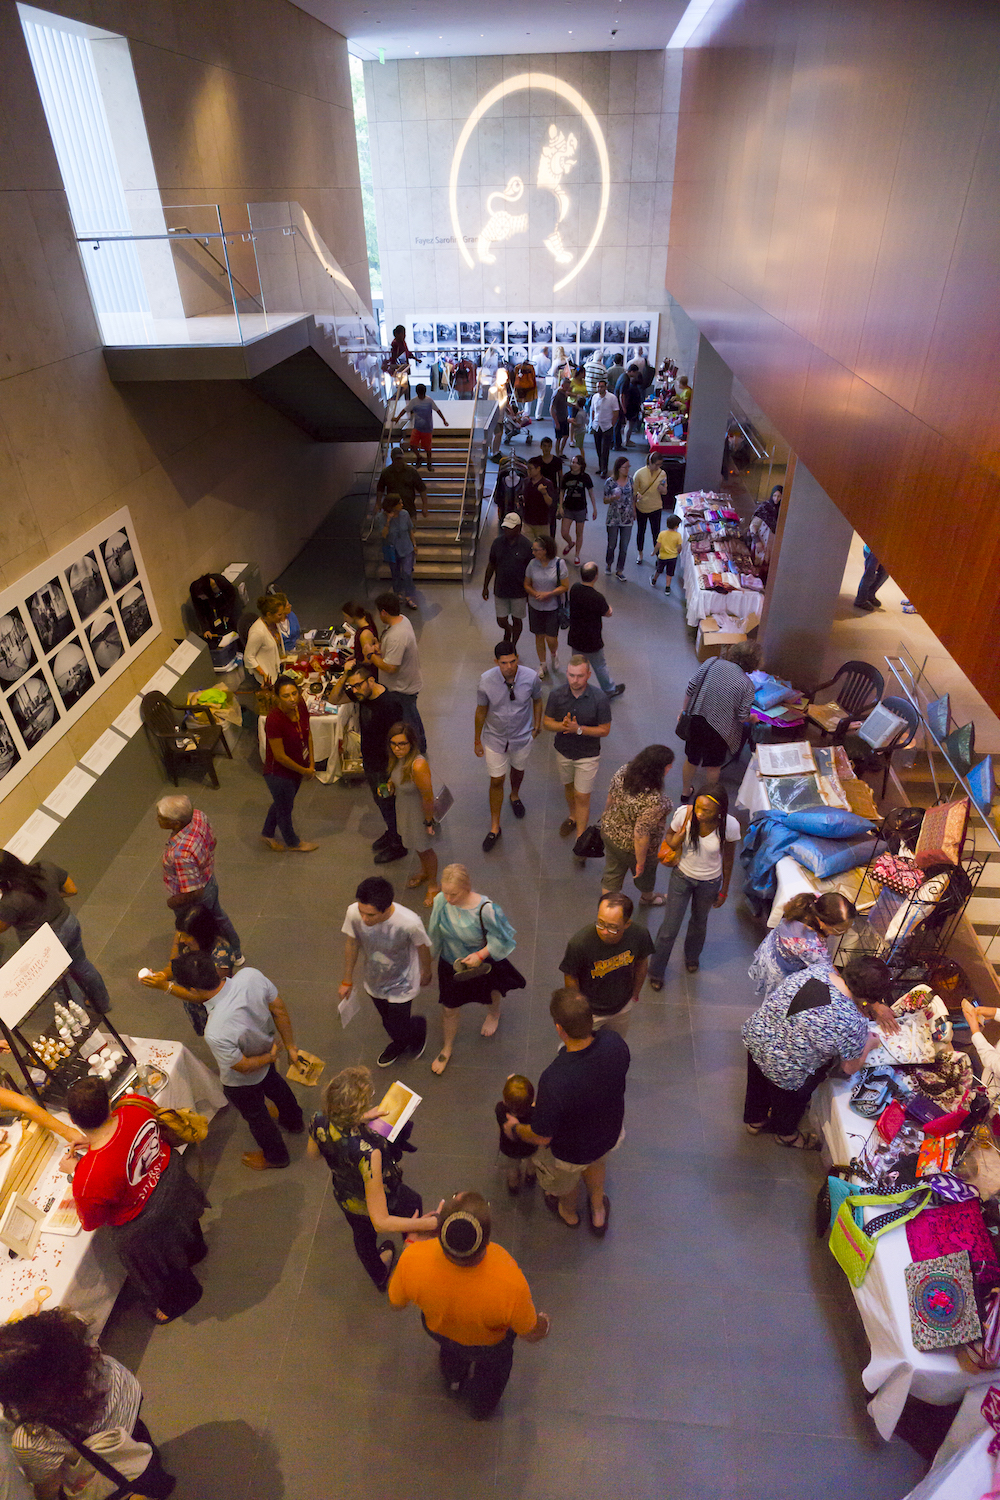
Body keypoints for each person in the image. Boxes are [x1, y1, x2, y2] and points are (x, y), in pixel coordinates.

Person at [388, 1190, 550, 1418]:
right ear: (486, 1236)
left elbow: (396, 1303)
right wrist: (545, 1324)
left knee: (451, 1353)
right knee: (493, 1374)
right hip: (490, 1346)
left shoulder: (412, 1257)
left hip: (441, 1331)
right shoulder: (509, 1280)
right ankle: (481, 1409)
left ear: (439, 1228)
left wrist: (410, 1247)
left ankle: (454, 1379)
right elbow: (531, 1333)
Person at [63, 1077, 207, 1323]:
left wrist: (75, 1169)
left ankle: (182, 1297)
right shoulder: (135, 1105)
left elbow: (92, 1221)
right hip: (172, 1178)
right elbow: (127, 1138)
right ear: (109, 1105)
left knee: (133, 1244)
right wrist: (96, 1140)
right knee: (182, 1220)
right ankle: (196, 1250)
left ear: (74, 1122)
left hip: (145, 1222)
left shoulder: (88, 1176)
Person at [0, 1310, 175, 1500]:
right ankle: (154, 1471)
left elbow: (48, 1488)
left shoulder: (31, 1438)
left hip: (105, 1452)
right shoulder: (71, 1330)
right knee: (140, 1445)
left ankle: (148, 1479)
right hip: (128, 1399)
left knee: (128, 1468)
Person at [505, 988, 628, 1232]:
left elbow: (543, 1135)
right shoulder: (615, 1044)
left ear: (560, 1029)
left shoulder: (555, 1078)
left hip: (572, 1151)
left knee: (568, 1183)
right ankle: (598, 1210)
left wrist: (516, 1129)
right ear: (591, 1019)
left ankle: (569, 1213)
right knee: (597, 1165)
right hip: (608, 1134)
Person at [308, 1066, 439, 1290]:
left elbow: (313, 1155)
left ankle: (379, 1275)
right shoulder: (369, 1153)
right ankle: (414, 1258)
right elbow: (381, 1220)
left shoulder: (319, 1119)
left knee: (363, 1237)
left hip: (346, 1196)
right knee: (412, 1203)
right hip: (380, 1196)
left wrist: (357, 1120)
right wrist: (430, 1222)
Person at [171, 951, 304, 1170]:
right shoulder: (250, 976)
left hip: (244, 1081)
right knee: (277, 1086)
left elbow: (241, 1066)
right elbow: (278, 1009)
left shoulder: (215, 1030)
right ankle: (293, 1121)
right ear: (214, 968)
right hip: (266, 1048)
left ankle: (276, 1156)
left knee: (257, 1117)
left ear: (193, 990)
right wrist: (289, 1047)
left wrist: (268, 1058)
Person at [742, 956, 893, 1148]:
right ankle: (786, 1135)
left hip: (758, 1037)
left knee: (758, 1080)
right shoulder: (854, 1022)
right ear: (869, 999)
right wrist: (869, 1043)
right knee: (789, 1102)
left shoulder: (818, 970)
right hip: (787, 1069)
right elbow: (849, 1068)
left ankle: (755, 1121)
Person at [427, 863, 525, 1073]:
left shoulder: (486, 909)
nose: (449, 899)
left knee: (490, 991)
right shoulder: (441, 901)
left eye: (454, 894)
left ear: (467, 888)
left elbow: (502, 937)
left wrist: (480, 955)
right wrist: (427, 962)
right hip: (451, 963)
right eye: (445, 893)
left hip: (481, 964)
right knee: (449, 1007)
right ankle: (447, 1047)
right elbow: (434, 933)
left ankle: (494, 1014)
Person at [648, 786, 741, 985]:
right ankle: (656, 971)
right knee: (670, 928)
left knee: (699, 922)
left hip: (710, 882)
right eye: (698, 807)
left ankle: (692, 956)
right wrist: (679, 838)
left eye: (706, 810)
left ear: (719, 811)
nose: (699, 813)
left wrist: (724, 891)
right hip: (682, 876)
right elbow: (670, 840)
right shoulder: (685, 814)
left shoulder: (730, 825)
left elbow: (729, 859)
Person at [0, 852, 111, 1013]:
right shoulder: (45, 867)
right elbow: (72, 889)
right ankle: (103, 1005)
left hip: (44, 943)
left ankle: (83, 1020)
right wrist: (49, 896)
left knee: (63, 983)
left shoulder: (9, 901)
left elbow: (2, 927)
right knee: (82, 965)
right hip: (68, 923)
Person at [340, 876, 431, 1067]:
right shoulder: (353, 912)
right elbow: (352, 942)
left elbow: (422, 946)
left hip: (403, 982)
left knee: (397, 1024)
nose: (364, 919)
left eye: (371, 915)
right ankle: (403, 1035)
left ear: (387, 908)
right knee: (387, 1020)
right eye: (361, 912)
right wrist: (347, 979)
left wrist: (427, 971)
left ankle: (411, 1032)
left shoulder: (409, 923)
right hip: (374, 978)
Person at [474, 640, 543, 852]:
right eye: (504, 663)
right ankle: (495, 826)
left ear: (517, 658)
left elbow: (538, 700)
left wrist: (537, 724)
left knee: (518, 770)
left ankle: (514, 795)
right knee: (496, 779)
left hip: (522, 736)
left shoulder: (531, 677)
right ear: (496, 662)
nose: (509, 667)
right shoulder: (486, 681)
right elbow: (481, 711)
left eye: (513, 661)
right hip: (495, 738)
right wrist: (477, 739)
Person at [157, 795, 242, 961]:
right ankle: (236, 952)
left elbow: (194, 891)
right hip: (209, 878)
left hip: (195, 896)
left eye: (161, 817)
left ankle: (211, 956)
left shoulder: (181, 853)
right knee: (218, 917)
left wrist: (173, 902)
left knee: (200, 927)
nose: (157, 819)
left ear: (176, 823)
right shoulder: (197, 816)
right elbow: (213, 841)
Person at [559, 894, 653, 1039]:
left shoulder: (639, 934)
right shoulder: (580, 943)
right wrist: (579, 1009)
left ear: (627, 924)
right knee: (583, 1045)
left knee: (615, 1044)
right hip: (591, 1011)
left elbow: (641, 962)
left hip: (622, 1006)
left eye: (613, 927)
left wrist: (635, 993)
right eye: (600, 923)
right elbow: (570, 976)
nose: (604, 931)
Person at [338, 665, 406, 863]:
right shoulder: (362, 695)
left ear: (371, 681)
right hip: (371, 762)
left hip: (384, 767)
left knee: (387, 803)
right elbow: (334, 699)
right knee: (380, 801)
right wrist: (345, 677)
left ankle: (397, 843)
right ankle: (391, 832)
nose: (355, 691)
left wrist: (392, 772)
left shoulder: (389, 704)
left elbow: (398, 740)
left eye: (357, 685)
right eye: (352, 687)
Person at [140, 900, 236, 1036]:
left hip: (218, 1006)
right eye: (181, 934)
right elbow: (174, 965)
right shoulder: (182, 936)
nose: (182, 940)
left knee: (224, 1037)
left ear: (202, 933)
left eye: (187, 936)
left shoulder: (221, 954)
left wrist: (166, 987)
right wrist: (163, 975)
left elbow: (207, 995)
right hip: (193, 1003)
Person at [678, 641, 760, 798]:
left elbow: (691, 687)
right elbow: (742, 717)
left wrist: (684, 711)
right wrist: (753, 718)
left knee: (691, 759)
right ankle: (706, 797)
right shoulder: (747, 685)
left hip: (697, 719)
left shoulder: (711, 662)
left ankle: (685, 792)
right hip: (720, 731)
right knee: (713, 767)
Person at [542, 657, 611, 843]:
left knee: (581, 795)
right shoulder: (556, 695)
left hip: (588, 754)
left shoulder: (600, 698)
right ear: (567, 673)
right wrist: (561, 726)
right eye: (571, 675)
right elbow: (547, 722)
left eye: (580, 676)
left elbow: (605, 729)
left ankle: (580, 838)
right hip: (563, 751)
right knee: (569, 786)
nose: (575, 680)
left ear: (588, 675)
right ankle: (573, 816)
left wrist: (578, 729)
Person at [599, 744, 674, 900]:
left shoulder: (624, 771)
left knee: (612, 874)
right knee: (645, 876)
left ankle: (607, 908)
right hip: (634, 848)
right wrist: (640, 863)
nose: (671, 768)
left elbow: (610, 799)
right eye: (669, 766)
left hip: (611, 833)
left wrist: (605, 819)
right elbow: (641, 834)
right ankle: (648, 897)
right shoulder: (654, 800)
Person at [748, 892, 856, 998]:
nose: (845, 932)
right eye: (840, 930)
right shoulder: (807, 945)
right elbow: (828, 972)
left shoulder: (816, 904)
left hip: (776, 947)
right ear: (822, 922)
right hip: (781, 966)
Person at [260, 674, 318, 854]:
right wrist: (305, 771)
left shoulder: (300, 705)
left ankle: (267, 834)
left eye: (294, 693)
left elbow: (307, 734)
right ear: (277, 697)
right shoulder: (274, 720)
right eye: (286, 696)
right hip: (279, 773)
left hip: (297, 768)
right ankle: (293, 842)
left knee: (281, 802)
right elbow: (280, 757)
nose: (292, 699)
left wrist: (311, 764)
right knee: (285, 808)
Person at [366, 592, 425, 748]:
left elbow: (391, 667)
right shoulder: (402, 620)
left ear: (384, 612)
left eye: (379, 612)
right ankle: (420, 743)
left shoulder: (397, 635)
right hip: (407, 682)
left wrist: (371, 655)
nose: (379, 616)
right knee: (412, 714)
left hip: (402, 687)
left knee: (408, 721)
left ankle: (414, 748)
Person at [566, 561, 624, 699]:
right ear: (596, 577)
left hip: (575, 636)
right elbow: (607, 612)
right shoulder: (597, 597)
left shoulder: (574, 589)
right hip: (592, 639)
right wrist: (610, 607)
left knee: (577, 665)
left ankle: (575, 688)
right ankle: (609, 690)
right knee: (599, 665)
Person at [482, 513, 533, 646]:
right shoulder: (497, 543)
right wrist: (485, 586)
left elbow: (531, 570)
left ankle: (513, 645)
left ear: (518, 528)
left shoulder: (527, 546)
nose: (507, 530)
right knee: (501, 620)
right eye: (505, 527)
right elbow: (491, 564)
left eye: (510, 528)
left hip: (519, 591)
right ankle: (508, 630)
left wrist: (530, 591)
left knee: (517, 619)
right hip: (501, 589)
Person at [524, 534, 569, 682]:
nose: (533, 552)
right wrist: (535, 594)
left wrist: (549, 594)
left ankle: (554, 654)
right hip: (535, 605)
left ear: (545, 550)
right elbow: (526, 584)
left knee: (551, 638)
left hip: (552, 607)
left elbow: (565, 586)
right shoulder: (532, 564)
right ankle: (542, 664)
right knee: (539, 636)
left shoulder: (559, 564)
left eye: (536, 550)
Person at [495, 1075, 536, 1194]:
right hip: (530, 1147)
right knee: (532, 1162)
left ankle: (513, 1185)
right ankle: (530, 1176)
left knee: (512, 1168)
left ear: (505, 1101)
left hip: (509, 1149)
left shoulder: (501, 1109)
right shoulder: (534, 1113)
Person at [398, 383, 449, 471]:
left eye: (422, 394)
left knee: (428, 449)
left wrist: (444, 420)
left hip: (427, 429)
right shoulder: (414, 401)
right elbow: (405, 409)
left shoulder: (429, 401)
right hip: (417, 428)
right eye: (420, 395)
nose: (421, 396)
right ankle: (419, 457)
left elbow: (437, 410)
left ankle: (429, 464)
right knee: (413, 444)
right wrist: (397, 417)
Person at [379, 496, 418, 610]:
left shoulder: (405, 514)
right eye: (399, 503)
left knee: (406, 572)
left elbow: (410, 530)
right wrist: (388, 521)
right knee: (395, 573)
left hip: (406, 548)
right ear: (392, 505)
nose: (402, 505)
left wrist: (414, 545)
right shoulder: (381, 517)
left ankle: (409, 596)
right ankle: (398, 593)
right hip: (392, 549)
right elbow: (383, 535)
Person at [243, 592, 287, 688]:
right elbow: (248, 657)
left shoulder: (273, 623)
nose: (282, 617)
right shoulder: (258, 632)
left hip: (275, 671)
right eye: (279, 614)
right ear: (269, 614)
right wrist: (263, 673)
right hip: (265, 678)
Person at [558, 453, 596, 564]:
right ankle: (570, 543)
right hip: (568, 508)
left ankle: (577, 555)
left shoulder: (585, 477)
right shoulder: (567, 476)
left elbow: (591, 493)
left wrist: (594, 508)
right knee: (564, 532)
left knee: (579, 532)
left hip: (581, 509)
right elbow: (561, 491)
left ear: (580, 465)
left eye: (575, 463)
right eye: (572, 462)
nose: (573, 464)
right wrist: (560, 506)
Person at [632, 452, 668, 563]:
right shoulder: (639, 474)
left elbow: (665, 491)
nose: (658, 467)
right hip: (641, 507)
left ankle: (658, 555)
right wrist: (634, 509)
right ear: (650, 462)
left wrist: (662, 490)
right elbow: (633, 493)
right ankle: (640, 553)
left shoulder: (662, 474)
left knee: (656, 533)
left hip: (656, 507)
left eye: (660, 465)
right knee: (641, 531)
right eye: (656, 464)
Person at [603, 457, 635, 580]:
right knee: (612, 544)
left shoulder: (631, 480)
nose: (627, 469)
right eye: (625, 467)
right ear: (618, 468)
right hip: (613, 517)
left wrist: (634, 510)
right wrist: (612, 498)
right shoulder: (610, 482)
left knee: (624, 546)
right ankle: (609, 563)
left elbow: (633, 497)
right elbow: (605, 500)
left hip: (627, 517)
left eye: (628, 467)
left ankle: (619, 570)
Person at [375, 447, 428, 520]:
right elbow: (380, 489)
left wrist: (425, 505)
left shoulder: (411, 471)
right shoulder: (386, 473)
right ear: (392, 459)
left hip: (409, 508)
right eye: (397, 459)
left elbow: (422, 489)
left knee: (410, 529)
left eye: (400, 458)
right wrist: (378, 503)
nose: (399, 461)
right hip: (392, 509)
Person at [521, 459, 558, 545]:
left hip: (542, 522)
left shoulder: (547, 483)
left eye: (530, 469)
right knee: (528, 546)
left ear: (538, 469)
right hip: (527, 521)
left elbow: (550, 502)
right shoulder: (526, 482)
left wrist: (544, 493)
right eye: (527, 469)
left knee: (542, 547)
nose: (528, 471)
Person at [589, 378, 618, 479]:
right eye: (598, 387)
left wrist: (612, 424)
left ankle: (604, 470)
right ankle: (601, 467)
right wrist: (593, 422)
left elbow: (615, 413)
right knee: (598, 448)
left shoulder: (612, 398)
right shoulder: (594, 397)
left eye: (601, 386)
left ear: (605, 387)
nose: (599, 388)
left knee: (605, 450)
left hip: (607, 426)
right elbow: (593, 411)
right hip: (597, 426)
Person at [652, 514, 683, 592]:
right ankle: (667, 588)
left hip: (662, 556)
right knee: (669, 574)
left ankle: (654, 580)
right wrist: (679, 551)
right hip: (673, 558)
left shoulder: (662, 534)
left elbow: (658, 545)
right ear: (677, 526)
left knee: (658, 570)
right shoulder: (678, 535)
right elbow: (679, 547)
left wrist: (654, 552)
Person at [533, 435, 564, 511]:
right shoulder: (537, 461)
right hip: (539, 490)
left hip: (552, 491)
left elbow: (560, 477)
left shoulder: (557, 461)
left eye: (548, 446)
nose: (546, 448)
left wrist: (560, 493)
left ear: (551, 447)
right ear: (541, 447)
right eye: (544, 446)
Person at [855, 545, 889, 611]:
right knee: (869, 576)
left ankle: (869, 594)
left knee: (884, 574)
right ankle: (860, 601)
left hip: (885, 551)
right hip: (874, 550)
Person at [619, 367, 644, 448]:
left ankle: (626, 440)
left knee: (628, 424)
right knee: (630, 424)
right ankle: (626, 441)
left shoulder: (630, 385)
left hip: (630, 407)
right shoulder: (634, 388)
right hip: (632, 408)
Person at [550, 376, 571, 457]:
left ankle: (561, 452)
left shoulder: (564, 393)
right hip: (558, 418)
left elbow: (564, 403)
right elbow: (551, 409)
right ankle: (557, 454)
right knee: (558, 438)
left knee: (566, 436)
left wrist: (573, 405)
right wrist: (556, 422)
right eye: (566, 387)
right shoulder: (557, 394)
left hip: (564, 417)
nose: (567, 388)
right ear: (562, 385)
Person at [533, 346, 552, 419]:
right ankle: (538, 415)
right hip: (542, 378)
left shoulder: (534, 357)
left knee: (530, 396)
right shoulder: (548, 360)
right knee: (541, 398)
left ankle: (526, 414)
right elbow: (547, 369)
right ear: (546, 351)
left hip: (533, 378)